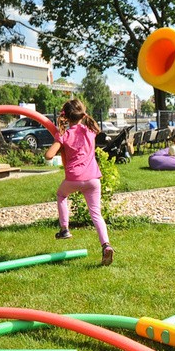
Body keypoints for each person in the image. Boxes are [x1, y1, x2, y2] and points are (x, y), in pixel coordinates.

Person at [44, 99, 115, 265]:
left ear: (66, 117)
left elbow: (48, 155)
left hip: (74, 179)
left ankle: (64, 229)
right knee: (96, 214)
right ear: (82, 114)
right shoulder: (90, 131)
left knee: (61, 195)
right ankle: (106, 245)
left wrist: (59, 139)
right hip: (93, 179)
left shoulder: (64, 135)